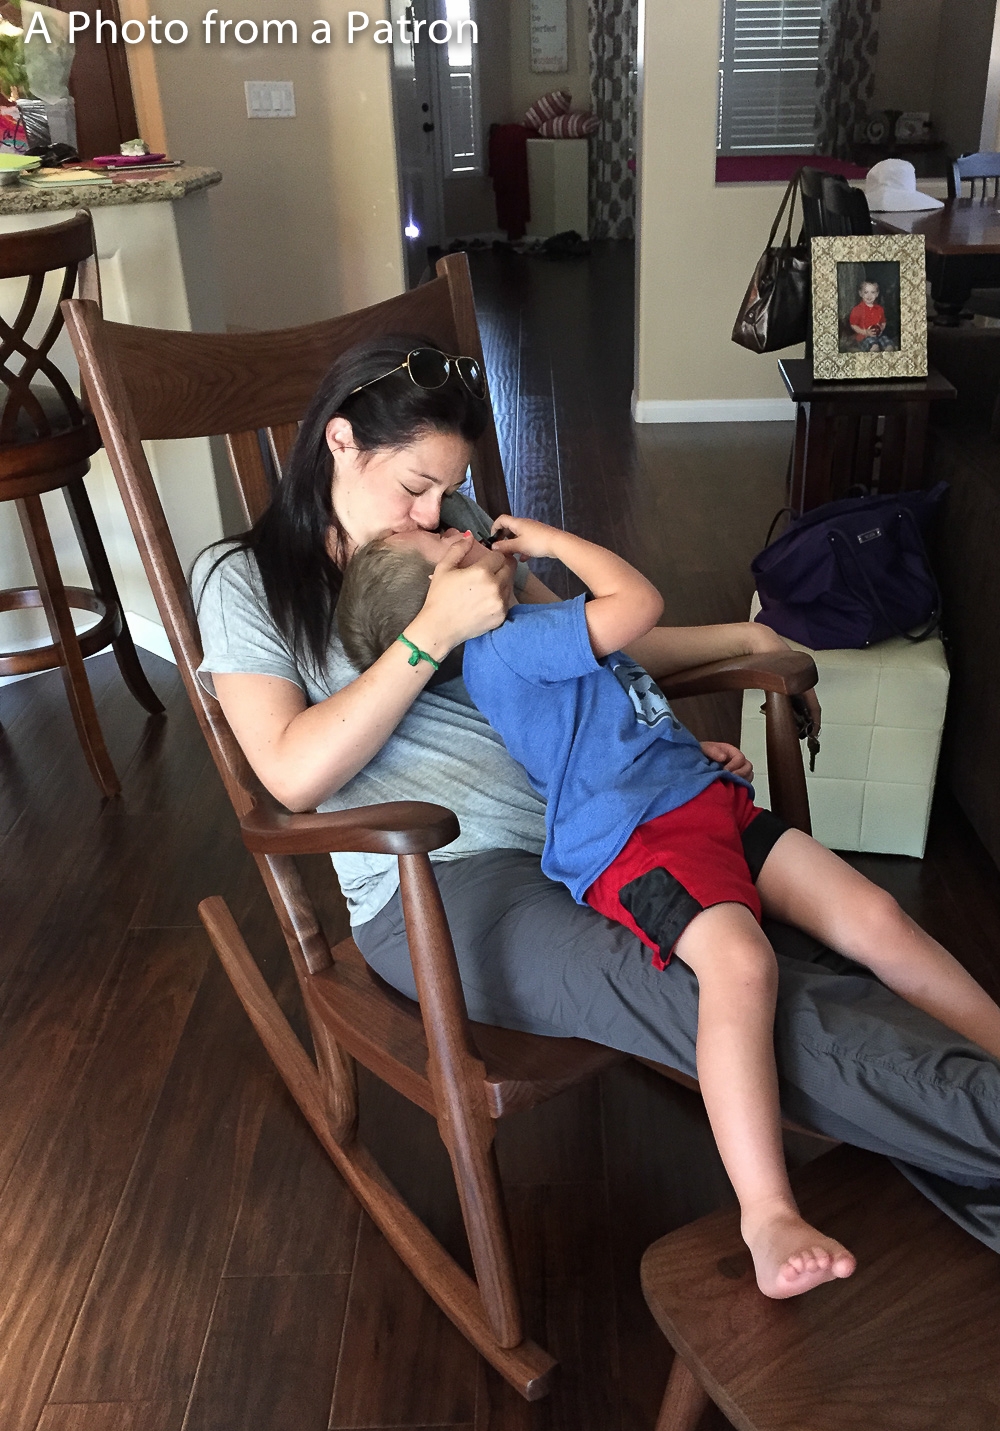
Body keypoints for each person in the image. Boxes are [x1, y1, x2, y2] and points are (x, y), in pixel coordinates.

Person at [193, 333, 1000, 1255]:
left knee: (840, 935)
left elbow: (585, 643)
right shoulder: (243, 579)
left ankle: (960, 1129)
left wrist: (744, 642)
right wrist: (430, 634)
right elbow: (291, 773)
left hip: (611, 812)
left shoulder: (454, 531)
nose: (436, 510)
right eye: (416, 485)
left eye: (449, 488)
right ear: (340, 441)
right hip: (446, 876)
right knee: (709, 986)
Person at [336, 518, 1000, 1296]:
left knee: (875, 918)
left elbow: (613, 711)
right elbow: (639, 604)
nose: (459, 528)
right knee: (741, 968)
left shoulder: (531, 631)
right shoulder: (508, 644)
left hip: (697, 798)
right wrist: (553, 541)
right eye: (446, 546)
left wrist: (683, 751)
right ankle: (767, 1214)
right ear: (443, 606)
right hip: (638, 844)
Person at [847, 280, 895, 351]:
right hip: (864, 336)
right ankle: (873, 350)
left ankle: (888, 351)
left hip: (878, 335)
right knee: (874, 346)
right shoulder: (857, 310)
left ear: (877, 294)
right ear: (860, 293)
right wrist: (865, 332)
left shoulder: (880, 309)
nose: (869, 295)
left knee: (888, 344)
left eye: (872, 292)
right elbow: (853, 325)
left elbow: (883, 321)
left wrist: (881, 328)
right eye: (866, 292)